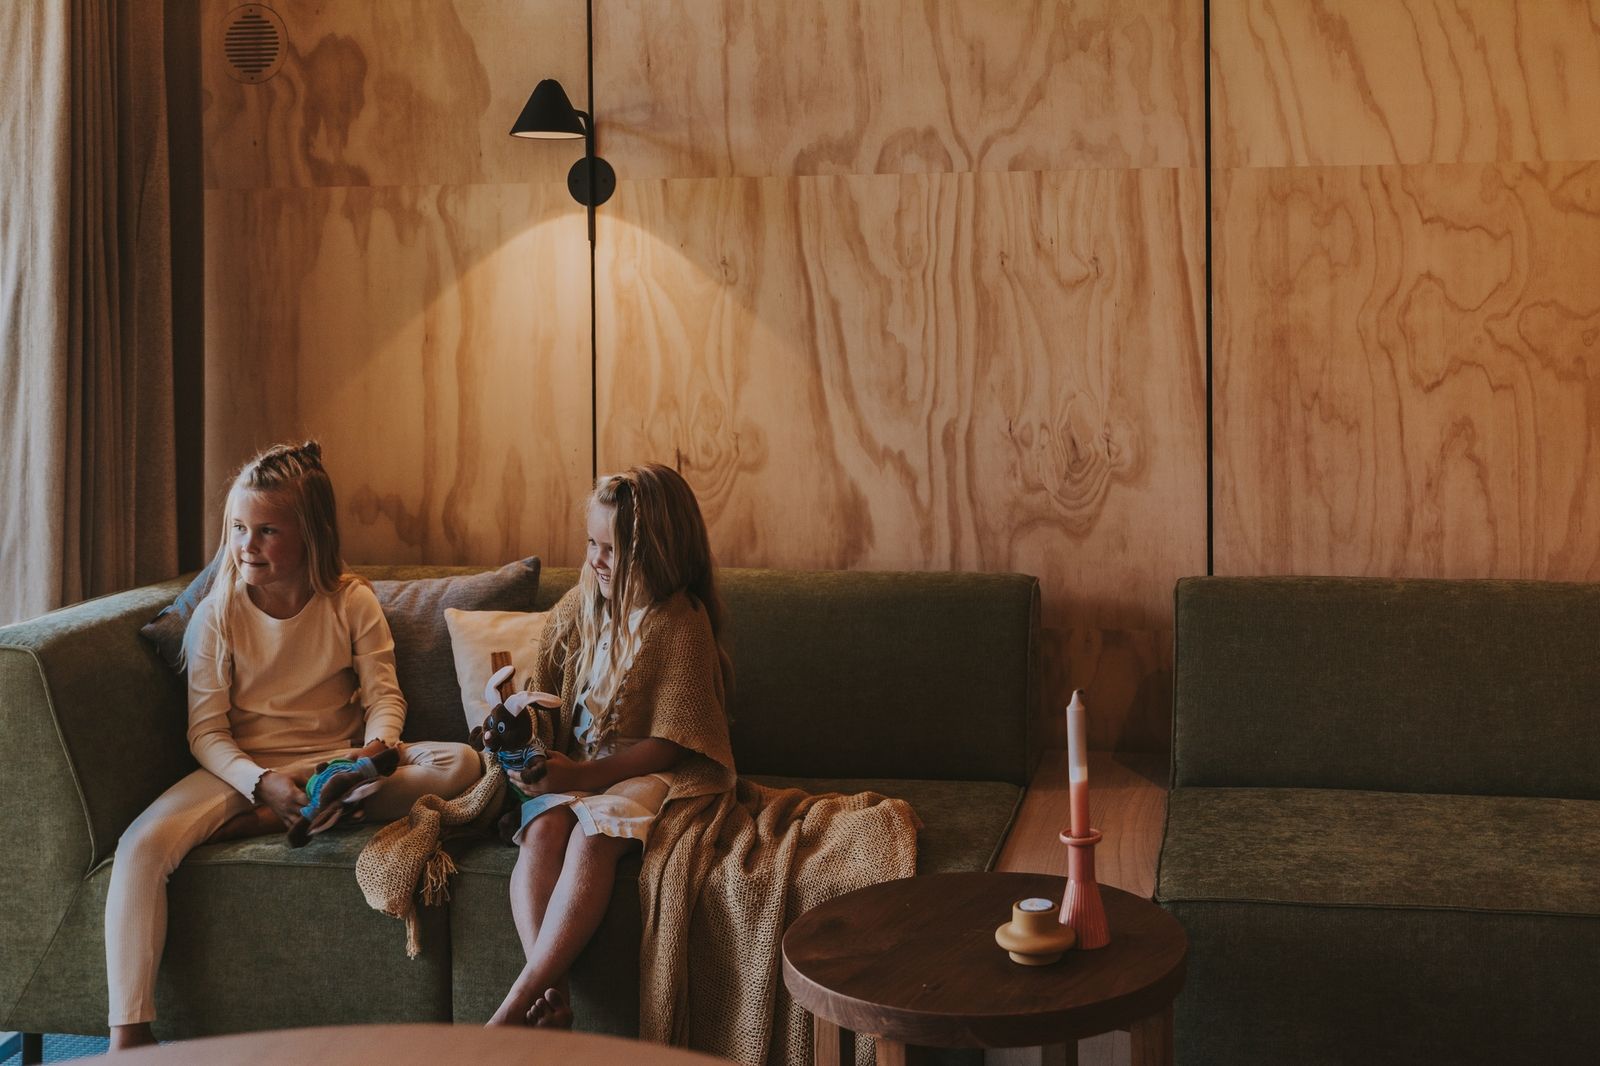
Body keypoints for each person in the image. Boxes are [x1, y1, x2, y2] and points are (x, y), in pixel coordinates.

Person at [104, 440, 482, 1049]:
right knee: (142, 847)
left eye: (265, 531)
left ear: (310, 534)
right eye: (237, 529)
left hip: (339, 760)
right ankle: (129, 1034)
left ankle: (285, 816)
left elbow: (385, 696)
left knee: (461, 761)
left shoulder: (350, 601)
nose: (246, 545)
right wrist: (260, 782)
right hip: (246, 770)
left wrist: (376, 750)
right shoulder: (217, 615)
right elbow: (206, 732)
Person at [487, 463, 736, 1029]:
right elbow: (546, 692)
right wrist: (528, 743)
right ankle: (552, 999)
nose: (595, 560)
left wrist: (578, 778)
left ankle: (511, 1008)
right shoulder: (579, 609)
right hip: (580, 767)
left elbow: (672, 746)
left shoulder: (678, 623)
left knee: (592, 841)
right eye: (591, 543)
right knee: (543, 829)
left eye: (611, 549)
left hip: (643, 772)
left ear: (656, 553)